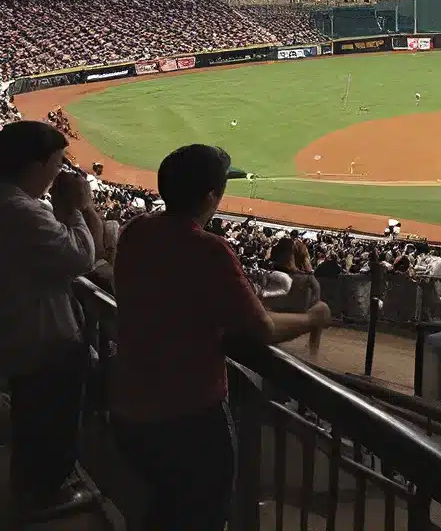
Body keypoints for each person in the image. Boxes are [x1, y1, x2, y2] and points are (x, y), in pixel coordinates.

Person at [109, 144, 333, 531]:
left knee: (160, 507)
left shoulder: (136, 231)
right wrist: (313, 318)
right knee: (202, 515)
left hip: (128, 402)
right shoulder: (209, 250)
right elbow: (261, 328)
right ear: (212, 196)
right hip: (188, 417)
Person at [0, 121, 102, 521]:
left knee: (32, 419)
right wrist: (77, 208)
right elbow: (82, 256)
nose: (59, 173)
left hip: (20, 332)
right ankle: (41, 497)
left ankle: (32, 487)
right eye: (57, 164)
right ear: (37, 162)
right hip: (42, 337)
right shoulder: (19, 210)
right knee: (49, 422)